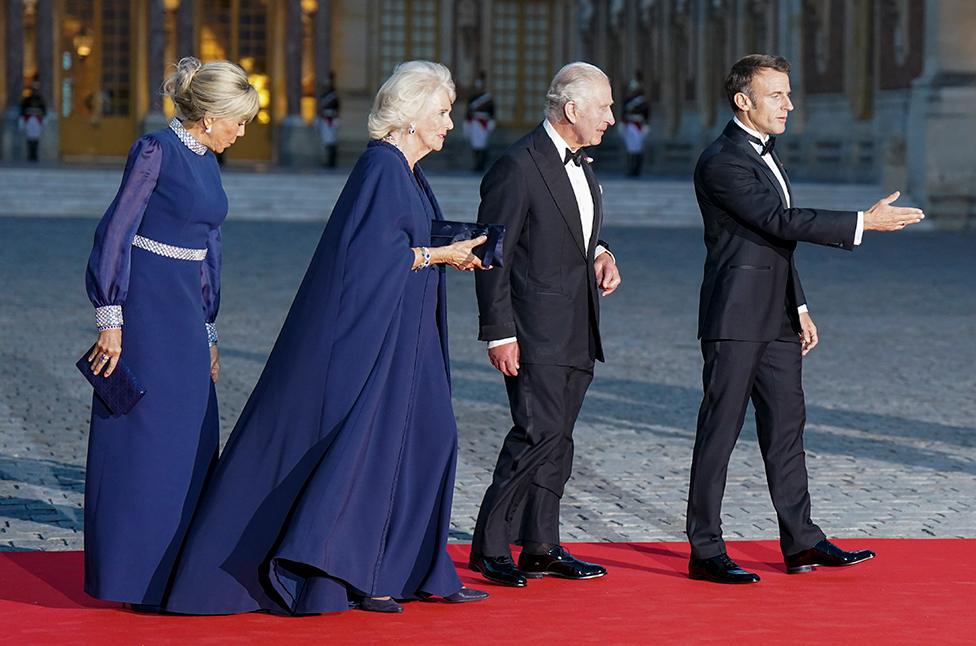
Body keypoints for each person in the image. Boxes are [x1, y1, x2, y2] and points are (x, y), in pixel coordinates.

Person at [164, 61, 489, 616]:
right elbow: (366, 259)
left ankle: (410, 568)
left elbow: (399, 237)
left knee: (430, 442)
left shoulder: (408, 171)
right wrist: (438, 255)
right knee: (379, 451)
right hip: (376, 341)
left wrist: (452, 246)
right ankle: (361, 576)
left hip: (407, 336)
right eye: (442, 113)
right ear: (410, 117)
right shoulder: (382, 168)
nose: (450, 124)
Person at [687, 54, 925, 584]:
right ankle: (705, 549)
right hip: (733, 317)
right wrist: (863, 221)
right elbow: (779, 220)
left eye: (789, 93)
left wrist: (798, 304)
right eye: (777, 95)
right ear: (742, 101)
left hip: (776, 318)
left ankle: (802, 541)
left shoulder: (769, 157)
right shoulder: (722, 160)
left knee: (787, 430)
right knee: (720, 432)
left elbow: (777, 244)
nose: (789, 104)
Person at [83, 57, 258, 608]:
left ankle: (177, 566)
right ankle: (133, 577)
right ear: (209, 116)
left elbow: (211, 249)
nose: (243, 132)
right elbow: (117, 228)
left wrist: (208, 327)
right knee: (145, 441)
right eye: (239, 121)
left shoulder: (209, 159)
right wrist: (111, 317)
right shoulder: (156, 150)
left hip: (185, 316)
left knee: (191, 437)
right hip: (147, 311)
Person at [469, 62, 622, 588]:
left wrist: (602, 252)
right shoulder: (517, 165)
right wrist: (500, 331)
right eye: (603, 106)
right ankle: (489, 546)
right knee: (535, 433)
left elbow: (574, 230)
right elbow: (494, 256)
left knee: (559, 439)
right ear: (572, 109)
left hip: (579, 325)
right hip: (533, 330)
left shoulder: (585, 163)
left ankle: (541, 545)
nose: (611, 117)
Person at [463, 71, 495, 172]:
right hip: (475, 123)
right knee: (474, 144)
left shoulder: (488, 98)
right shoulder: (472, 98)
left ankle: (482, 164)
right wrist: (467, 123)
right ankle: (476, 164)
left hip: (484, 124)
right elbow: (468, 111)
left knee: (483, 145)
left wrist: (491, 123)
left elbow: (492, 112)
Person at [619, 71, 649, 177]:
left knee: (638, 148)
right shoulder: (628, 101)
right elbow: (624, 112)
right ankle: (631, 168)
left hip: (638, 126)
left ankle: (637, 169)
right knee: (631, 148)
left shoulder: (642, 101)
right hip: (630, 125)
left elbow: (646, 114)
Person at [317, 71, 341, 167]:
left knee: (331, 140)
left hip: (331, 120)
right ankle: (328, 160)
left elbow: (337, 108)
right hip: (326, 119)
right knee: (327, 140)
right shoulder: (325, 94)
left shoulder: (333, 95)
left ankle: (332, 162)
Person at [19, 79, 46, 162]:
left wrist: (42, 117)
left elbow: (43, 110)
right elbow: (23, 109)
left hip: (37, 120)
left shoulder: (40, 99)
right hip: (29, 120)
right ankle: (30, 154)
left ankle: (35, 154)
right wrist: (22, 119)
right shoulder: (26, 100)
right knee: (29, 137)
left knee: (36, 138)